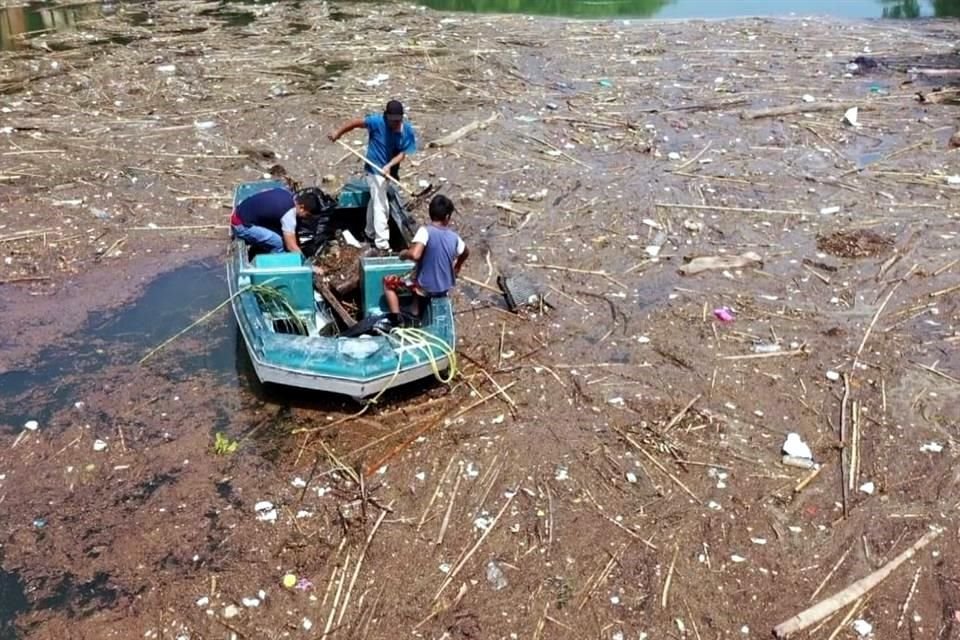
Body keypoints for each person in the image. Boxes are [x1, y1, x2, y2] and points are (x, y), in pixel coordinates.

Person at [327, 99, 417, 253]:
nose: (395, 124)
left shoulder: (407, 130)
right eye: (392, 121)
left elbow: (403, 153)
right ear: (386, 116)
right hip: (374, 169)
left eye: (398, 121)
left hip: (389, 170)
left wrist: (389, 166)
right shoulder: (376, 122)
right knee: (382, 205)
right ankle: (382, 244)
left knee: (375, 200)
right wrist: (338, 133)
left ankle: (369, 233)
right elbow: (355, 123)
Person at [383, 195, 469, 325]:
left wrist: (404, 254)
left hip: (425, 288)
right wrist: (457, 266)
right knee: (418, 273)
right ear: (447, 217)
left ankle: (396, 319)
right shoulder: (455, 237)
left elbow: (415, 255)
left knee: (388, 282)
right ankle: (415, 308)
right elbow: (466, 252)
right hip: (444, 287)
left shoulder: (425, 231)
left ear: (430, 213)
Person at [230, 187, 320, 256]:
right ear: (302, 207)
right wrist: (307, 266)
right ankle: (274, 269)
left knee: (282, 236)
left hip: (240, 212)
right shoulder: (289, 214)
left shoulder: (286, 193)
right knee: (279, 243)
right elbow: (291, 247)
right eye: (307, 215)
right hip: (240, 225)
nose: (305, 218)